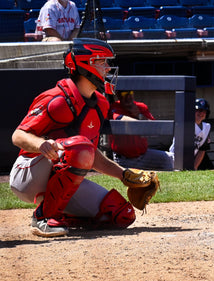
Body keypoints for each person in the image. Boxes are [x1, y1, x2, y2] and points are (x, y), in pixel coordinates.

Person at [9, 38, 144, 237]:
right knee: (79, 146)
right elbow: (17, 135)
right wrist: (41, 143)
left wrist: (124, 175)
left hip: (61, 180)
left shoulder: (100, 103)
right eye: (102, 62)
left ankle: (60, 216)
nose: (107, 68)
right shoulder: (56, 98)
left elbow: (90, 154)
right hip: (28, 174)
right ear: (84, 64)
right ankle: (43, 217)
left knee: (121, 214)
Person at [109, 90, 175, 171]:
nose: (128, 96)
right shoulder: (115, 107)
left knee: (171, 159)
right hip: (124, 159)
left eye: (130, 93)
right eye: (124, 94)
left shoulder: (140, 107)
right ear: (118, 96)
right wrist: (140, 124)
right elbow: (121, 119)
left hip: (144, 155)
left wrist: (139, 115)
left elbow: (154, 129)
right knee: (132, 177)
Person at [169, 98, 214, 170]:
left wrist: (195, 167)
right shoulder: (185, 123)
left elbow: (202, 149)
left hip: (190, 160)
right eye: (199, 110)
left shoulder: (207, 127)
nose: (201, 113)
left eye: (204, 111)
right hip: (175, 158)